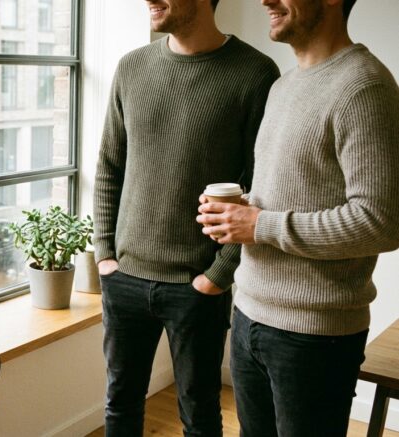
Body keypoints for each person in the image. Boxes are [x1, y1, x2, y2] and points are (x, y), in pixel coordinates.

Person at [196, 0, 399, 434]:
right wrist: (241, 210)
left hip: (314, 335)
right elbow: (295, 192)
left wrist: (259, 225)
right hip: (250, 315)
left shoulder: (364, 85)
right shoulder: (284, 86)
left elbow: (381, 220)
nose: (266, 0)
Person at [92, 0, 279, 435]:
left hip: (198, 286)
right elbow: (108, 167)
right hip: (124, 279)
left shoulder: (255, 73)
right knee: (119, 406)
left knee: (199, 413)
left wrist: (218, 274)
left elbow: (262, 190)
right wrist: (104, 254)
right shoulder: (131, 67)